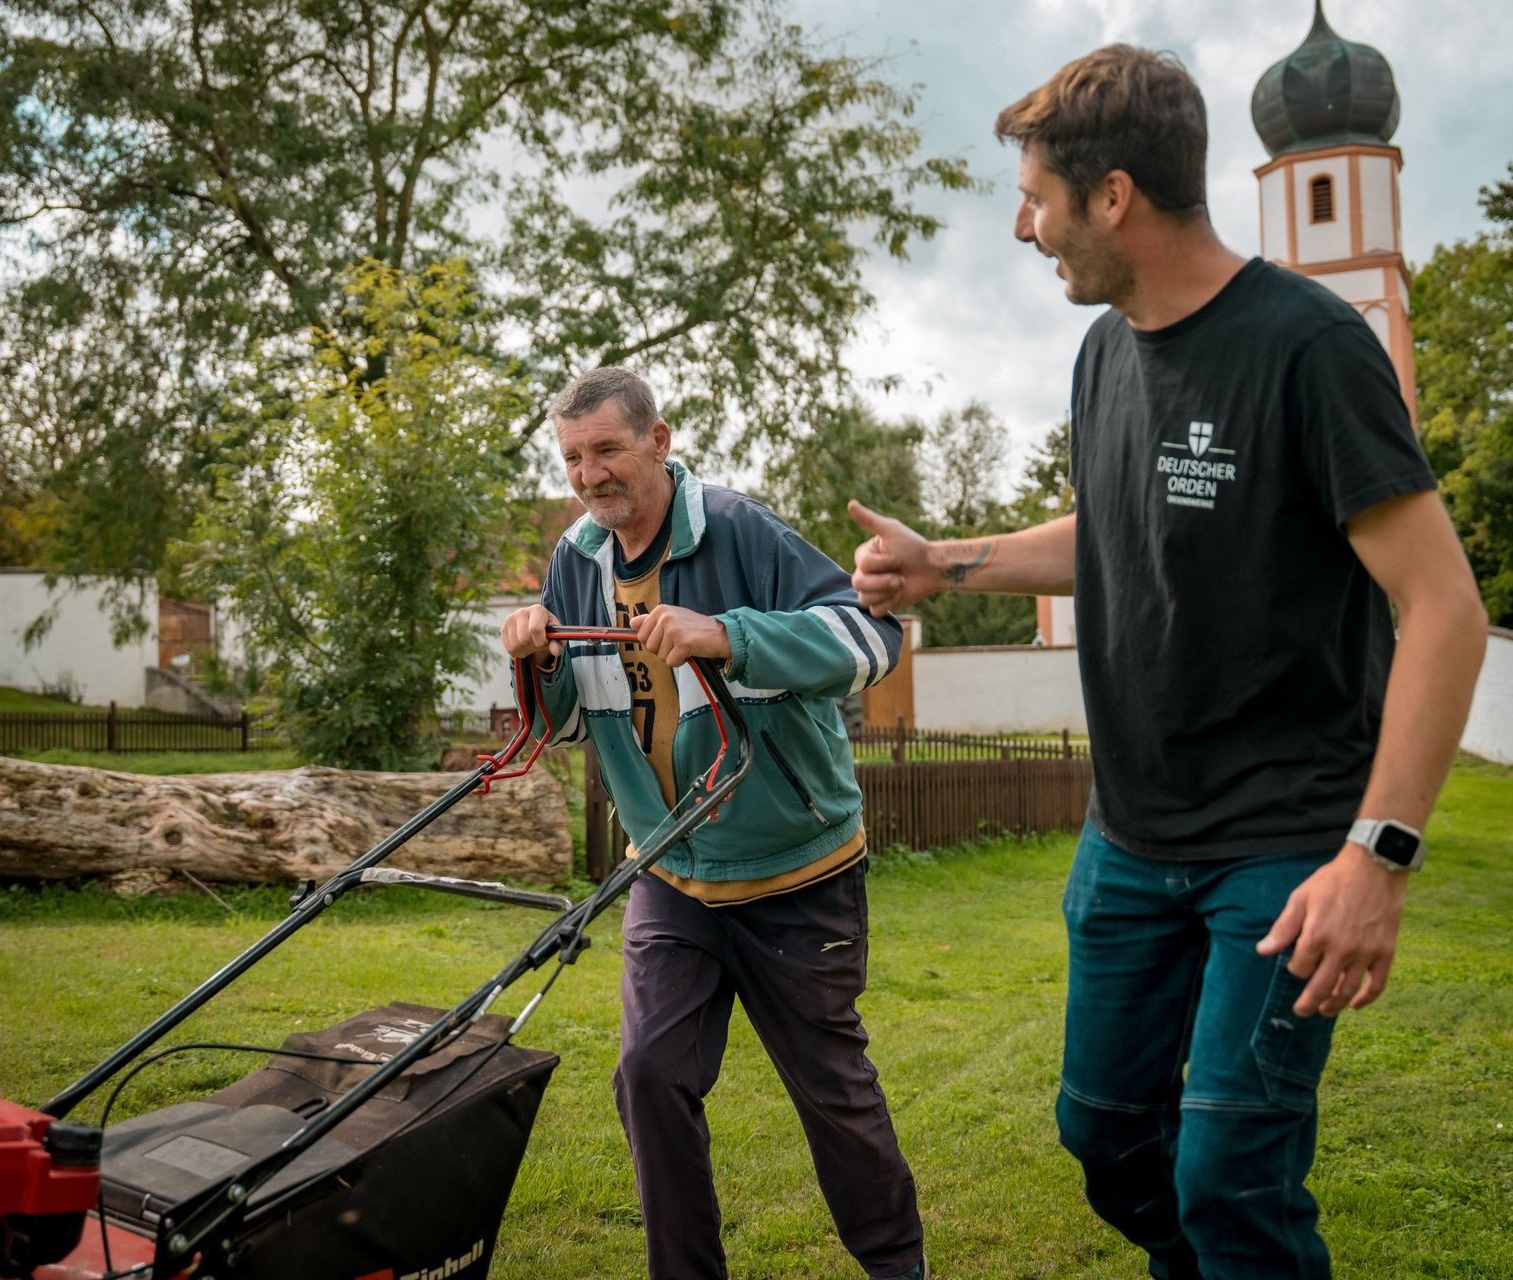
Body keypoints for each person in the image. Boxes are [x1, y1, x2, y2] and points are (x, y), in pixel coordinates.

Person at [848, 45, 1486, 1280]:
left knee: (1229, 1174)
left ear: (1114, 196)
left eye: (1035, 197)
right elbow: (1122, 528)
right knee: (1103, 1133)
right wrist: (948, 564)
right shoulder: (1105, 353)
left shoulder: (1309, 346)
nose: (1024, 227)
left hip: (1285, 845)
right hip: (1131, 841)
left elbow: (1443, 608)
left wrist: (1379, 855)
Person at [502, 367, 927, 1280]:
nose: (589, 475)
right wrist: (537, 659)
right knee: (650, 1076)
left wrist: (728, 634)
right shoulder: (577, 560)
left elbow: (871, 640)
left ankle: (898, 1269)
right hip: (671, 872)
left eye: (607, 450)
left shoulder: (740, 529)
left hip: (796, 873)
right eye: (573, 457)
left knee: (831, 1097)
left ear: (658, 441)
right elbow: (568, 721)